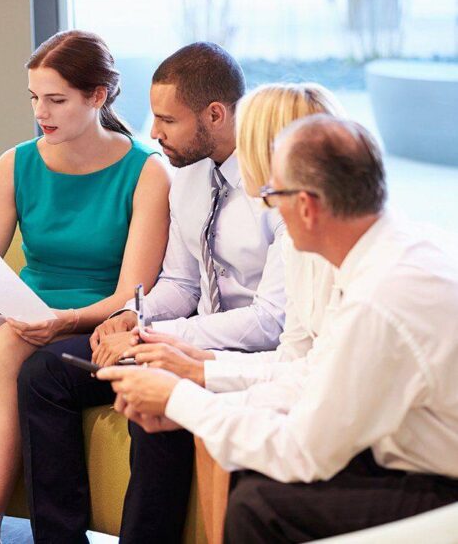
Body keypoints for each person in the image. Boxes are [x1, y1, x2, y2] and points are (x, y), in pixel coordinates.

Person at [99, 115, 458, 542]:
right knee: (254, 475)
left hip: (443, 486)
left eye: (272, 193)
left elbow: (303, 451)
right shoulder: (391, 252)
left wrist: (179, 397)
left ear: (306, 206)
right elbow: (313, 374)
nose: (268, 207)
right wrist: (197, 386)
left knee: (260, 505)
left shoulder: (378, 297)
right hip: (413, 453)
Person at [0, 30, 170, 543]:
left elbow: (131, 295)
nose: (40, 112)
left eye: (56, 100)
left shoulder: (145, 171)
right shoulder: (16, 163)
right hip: (25, 310)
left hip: (92, 318)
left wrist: (65, 321)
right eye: (34, 98)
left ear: (97, 96)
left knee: (8, 341)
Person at [17, 43, 286, 543]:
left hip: (246, 350)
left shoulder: (278, 187)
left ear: (215, 114)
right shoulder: (186, 176)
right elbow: (181, 283)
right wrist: (129, 316)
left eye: (168, 120)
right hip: (184, 334)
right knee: (44, 373)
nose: (154, 132)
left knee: (157, 403)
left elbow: (270, 321)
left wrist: (158, 336)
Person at [118, 82, 345, 413]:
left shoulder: (344, 259)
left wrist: (197, 371)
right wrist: (198, 363)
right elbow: (294, 358)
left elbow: (316, 380)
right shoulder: (300, 240)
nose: (239, 158)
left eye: (246, 146)